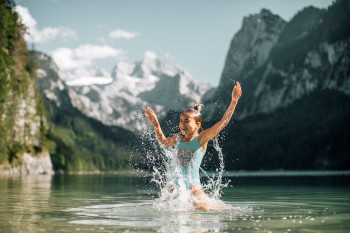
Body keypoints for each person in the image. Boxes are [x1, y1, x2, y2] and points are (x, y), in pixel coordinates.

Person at [144, 81, 242, 211]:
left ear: (197, 124)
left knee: (204, 207)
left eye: (186, 121)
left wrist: (234, 101)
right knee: (165, 206)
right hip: (175, 187)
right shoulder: (178, 138)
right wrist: (156, 125)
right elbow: (163, 142)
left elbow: (222, 123)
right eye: (180, 120)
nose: (182, 124)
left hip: (194, 187)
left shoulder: (201, 139)